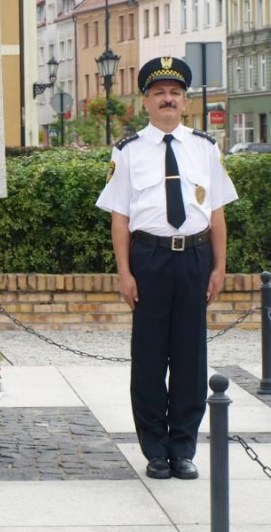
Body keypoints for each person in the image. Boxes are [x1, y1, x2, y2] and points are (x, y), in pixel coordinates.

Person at [96, 57, 238, 480]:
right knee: (151, 356)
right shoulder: (127, 152)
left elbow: (216, 214)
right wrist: (124, 271)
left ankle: (184, 447)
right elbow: (119, 218)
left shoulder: (205, 147)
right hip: (150, 259)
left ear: (185, 100)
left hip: (194, 257)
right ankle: (155, 448)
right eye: (159, 92)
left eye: (175, 92)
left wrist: (219, 268)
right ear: (146, 101)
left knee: (192, 357)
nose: (168, 99)